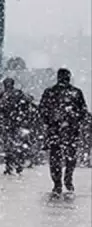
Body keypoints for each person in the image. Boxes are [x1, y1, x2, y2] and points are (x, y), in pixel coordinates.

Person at [39, 68, 88, 197]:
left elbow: (42, 110)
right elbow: (83, 111)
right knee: (69, 157)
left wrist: (51, 120)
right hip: (70, 131)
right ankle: (66, 179)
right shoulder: (75, 92)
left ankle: (58, 183)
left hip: (56, 131)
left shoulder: (50, 92)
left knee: (56, 158)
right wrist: (73, 118)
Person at [0, 78, 32, 175]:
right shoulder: (18, 94)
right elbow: (27, 105)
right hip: (17, 123)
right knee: (18, 145)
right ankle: (18, 165)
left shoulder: (3, 95)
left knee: (9, 146)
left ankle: (10, 166)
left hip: (9, 124)